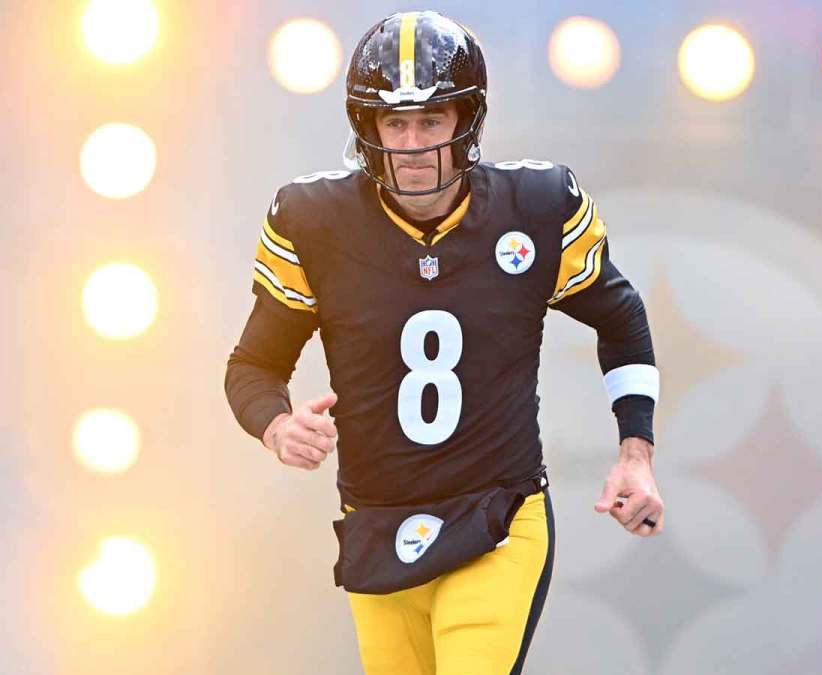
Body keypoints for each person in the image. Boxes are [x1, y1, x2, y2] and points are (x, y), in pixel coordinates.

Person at [223, 10, 663, 675]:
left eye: (431, 121)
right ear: (367, 130)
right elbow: (252, 366)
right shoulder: (313, 221)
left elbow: (620, 316)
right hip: (375, 522)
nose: (413, 144)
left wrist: (636, 451)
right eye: (395, 124)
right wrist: (277, 426)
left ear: (467, 123)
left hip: (495, 518)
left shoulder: (536, 208)